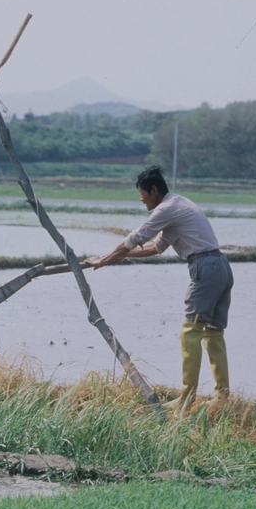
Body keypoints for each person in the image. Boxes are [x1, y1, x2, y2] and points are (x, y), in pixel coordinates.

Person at [83, 166, 232, 408]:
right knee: (213, 333)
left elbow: (135, 237)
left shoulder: (166, 209)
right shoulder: (179, 205)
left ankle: (186, 399)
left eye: (142, 194)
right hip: (221, 266)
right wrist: (118, 257)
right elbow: (155, 247)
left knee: (190, 331)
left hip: (205, 268)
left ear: (154, 190)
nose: (141, 199)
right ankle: (222, 396)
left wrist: (104, 260)